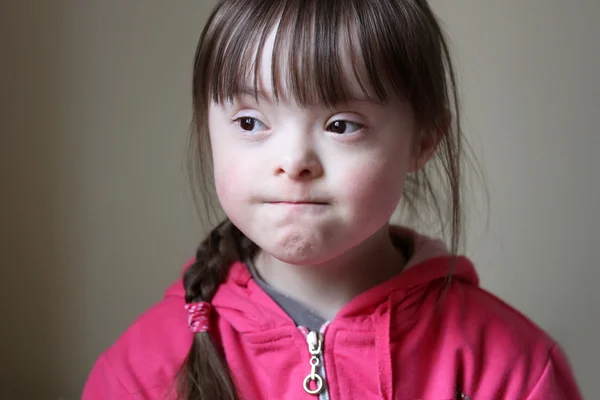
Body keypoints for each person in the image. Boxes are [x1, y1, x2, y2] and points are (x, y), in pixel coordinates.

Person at [82, 0, 583, 398]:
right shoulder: (141, 373)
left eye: (341, 125)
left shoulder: (512, 370)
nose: (294, 161)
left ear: (423, 140)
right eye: (251, 122)